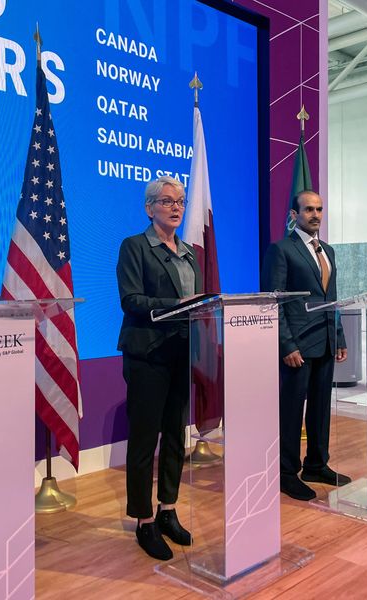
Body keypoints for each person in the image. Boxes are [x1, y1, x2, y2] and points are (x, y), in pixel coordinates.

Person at [116, 176, 202, 561]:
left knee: (174, 438)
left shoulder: (189, 253)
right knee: (144, 439)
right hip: (147, 354)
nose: (176, 207)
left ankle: (168, 509)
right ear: (149, 207)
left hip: (181, 353)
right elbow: (131, 299)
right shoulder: (135, 246)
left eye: (180, 201)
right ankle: (143, 520)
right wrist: (179, 304)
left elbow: (195, 303)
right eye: (167, 201)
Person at [261, 190, 349, 502]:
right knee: (291, 411)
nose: (315, 214)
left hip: (324, 340)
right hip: (296, 346)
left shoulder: (328, 251)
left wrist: (338, 336)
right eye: (308, 209)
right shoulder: (281, 250)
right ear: (294, 214)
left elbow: (332, 298)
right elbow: (275, 301)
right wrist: (286, 344)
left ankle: (316, 464)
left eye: (319, 209)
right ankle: (286, 472)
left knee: (321, 409)